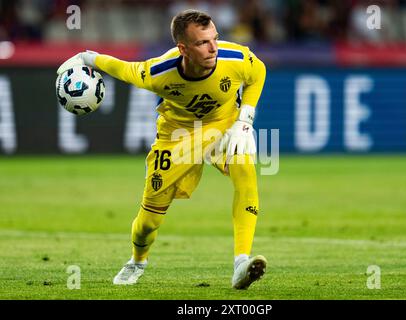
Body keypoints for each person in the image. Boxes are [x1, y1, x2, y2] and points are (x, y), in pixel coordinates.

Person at [57, 9, 267, 290]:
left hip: (224, 125)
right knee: (148, 222)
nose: (213, 48)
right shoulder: (159, 73)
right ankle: (137, 260)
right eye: (203, 43)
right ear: (183, 48)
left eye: (215, 38)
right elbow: (122, 68)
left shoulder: (235, 58)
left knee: (246, 172)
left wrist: (245, 119)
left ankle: (241, 263)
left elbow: (258, 72)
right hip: (176, 138)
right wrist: (86, 57)